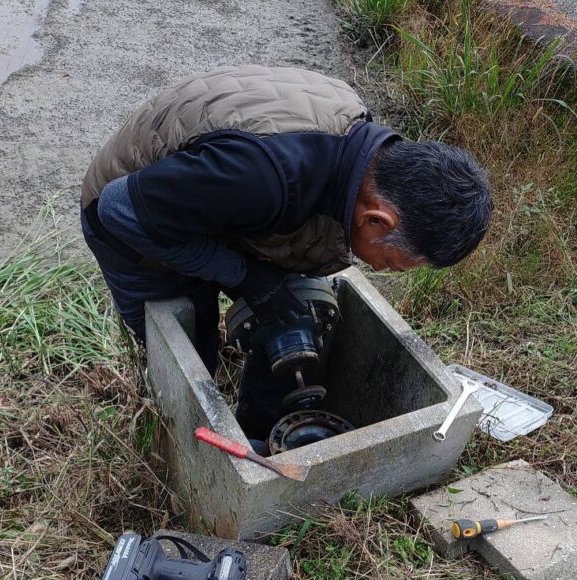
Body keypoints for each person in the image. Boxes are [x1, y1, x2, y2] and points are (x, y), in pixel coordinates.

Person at [80, 64, 491, 438]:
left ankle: (258, 426)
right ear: (378, 220)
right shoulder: (262, 179)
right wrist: (245, 276)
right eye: (397, 264)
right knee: (189, 342)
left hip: (208, 192)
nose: (391, 269)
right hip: (132, 212)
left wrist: (259, 282)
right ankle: (178, 442)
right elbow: (117, 210)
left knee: (293, 306)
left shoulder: (364, 156)